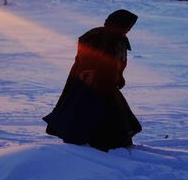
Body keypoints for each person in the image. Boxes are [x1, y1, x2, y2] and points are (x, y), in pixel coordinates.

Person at [43, 9, 142, 152]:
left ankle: (112, 141)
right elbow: (86, 58)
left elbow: (117, 62)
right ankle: (91, 142)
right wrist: (89, 77)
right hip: (89, 83)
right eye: (127, 26)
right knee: (86, 111)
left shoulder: (119, 39)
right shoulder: (96, 36)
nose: (128, 30)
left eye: (129, 27)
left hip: (106, 82)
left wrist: (119, 77)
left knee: (114, 112)